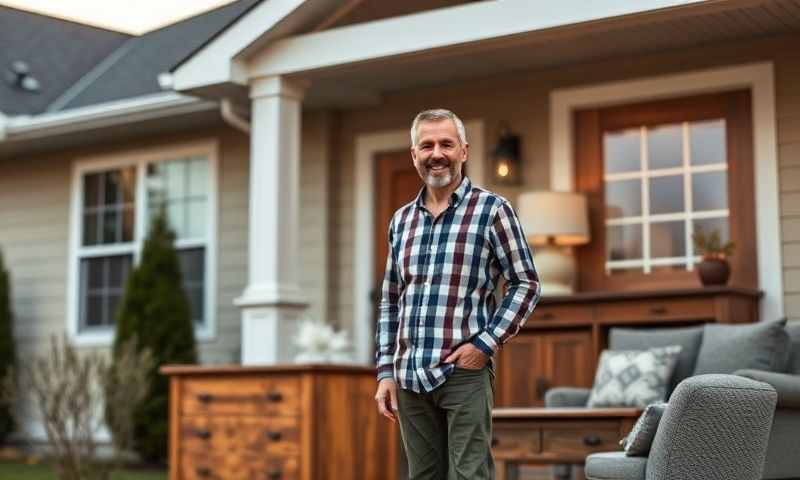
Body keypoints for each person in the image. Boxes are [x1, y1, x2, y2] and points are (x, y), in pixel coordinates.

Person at [374, 108, 541, 479]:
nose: (437, 153)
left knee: (470, 475)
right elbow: (390, 300)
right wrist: (386, 372)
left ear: (463, 151)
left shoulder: (493, 210)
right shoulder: (401, 221)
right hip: (409, 376)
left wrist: (485, 344)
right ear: (414, 155)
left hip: (462, 373)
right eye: (427, 145)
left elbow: (526, 283)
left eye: (446, 144)